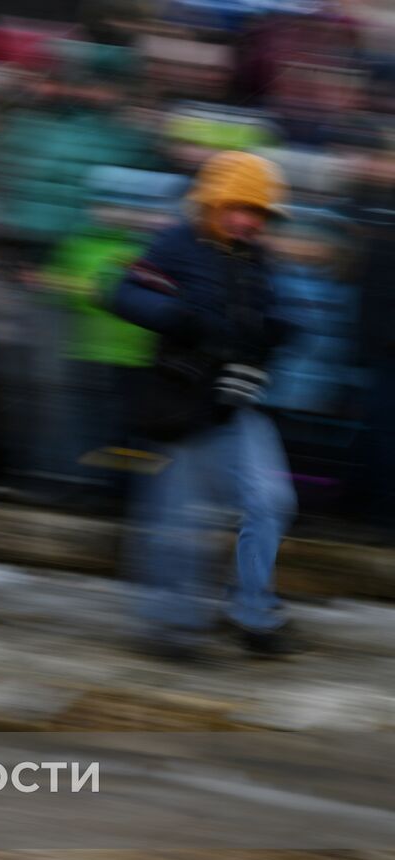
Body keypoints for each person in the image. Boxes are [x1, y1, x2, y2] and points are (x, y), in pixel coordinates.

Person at [109, 151, 300, 660]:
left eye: (259, 213)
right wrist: (180, 319)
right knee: (176, 518)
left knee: (271, 503)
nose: (251, 221)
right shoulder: (178, 242)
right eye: (241, 208)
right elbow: (122, 293)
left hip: (235, 402)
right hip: (183, 403)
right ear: (214, 202)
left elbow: (274, 311)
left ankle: (252, 611)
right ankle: (172, 625)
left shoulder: (256, 257)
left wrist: (278, 331)